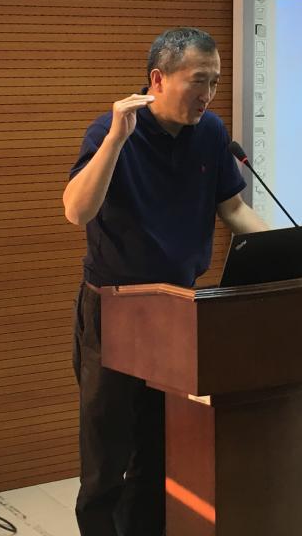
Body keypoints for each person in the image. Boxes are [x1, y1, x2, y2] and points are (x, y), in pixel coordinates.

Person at [62, 27, 268, 536]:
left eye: (215, 82)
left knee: (158, 455)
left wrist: (295, 250)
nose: (208, 94)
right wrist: (115, 139)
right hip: (115, 311)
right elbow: (77, 211)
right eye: (199, 80)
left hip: (177, 310)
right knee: (106, 460)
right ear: (158, 79)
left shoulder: (211, 132)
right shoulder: (110, 130)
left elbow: (234, 209)